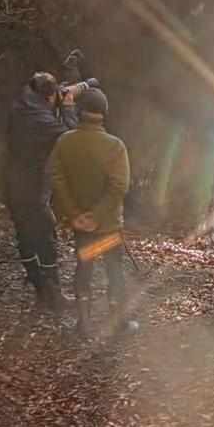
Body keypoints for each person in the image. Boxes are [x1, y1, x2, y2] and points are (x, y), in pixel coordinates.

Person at [46, 86, 132, 337]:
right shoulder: (115, 146)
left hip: (81, 226)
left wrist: (75, 215)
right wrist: (97, 216)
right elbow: (119, 187)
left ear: (78, 111)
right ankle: (119, 323)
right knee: (114, 271)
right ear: (104, 113)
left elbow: (56, 178)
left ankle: (84, 324)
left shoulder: (65, 141)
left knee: (84, 269)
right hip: (108, 226)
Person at [4, 72, 89, 311]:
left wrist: (56, 98)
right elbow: (73, 138)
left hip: (11, 181)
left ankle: (40, 289)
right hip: (33, 186)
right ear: (50, 96)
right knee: (45, 238)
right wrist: (68, 108)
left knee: (24, 234)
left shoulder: (22, 101)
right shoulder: (42, 121)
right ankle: (53, 295)